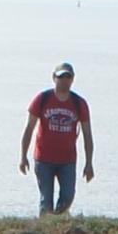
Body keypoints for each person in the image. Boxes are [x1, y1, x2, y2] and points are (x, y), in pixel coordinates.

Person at [22, 63, 92, 213]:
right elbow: (29, 129)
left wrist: (89, 163)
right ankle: (45, 228)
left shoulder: (79, 103)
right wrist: (23, 157)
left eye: (68, 77)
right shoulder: (42, 99)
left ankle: (58, 223)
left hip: (67, 160)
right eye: (61, 77)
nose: (64, 80)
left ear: (73, 79)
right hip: (43, 159)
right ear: (54, 78)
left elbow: (87, 134)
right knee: (46, 199)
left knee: (68, 196)